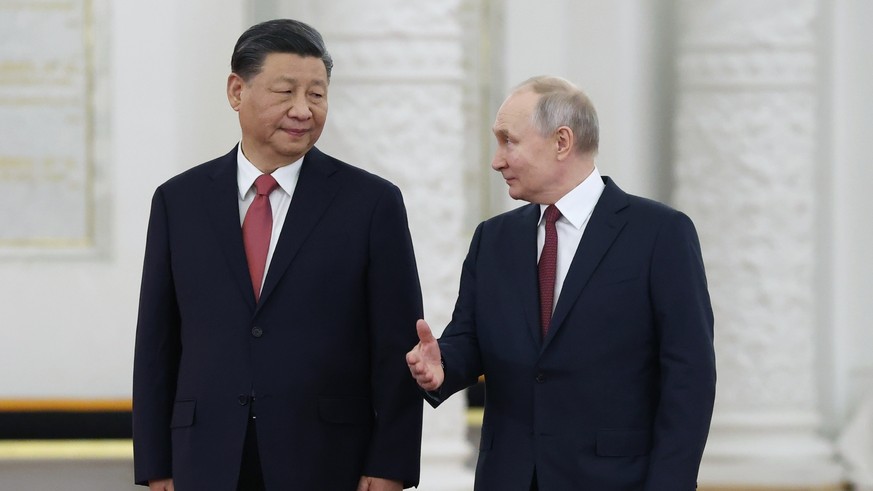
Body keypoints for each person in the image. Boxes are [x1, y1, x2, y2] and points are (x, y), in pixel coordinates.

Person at [133, 19, 423, 491]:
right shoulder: (178, 201)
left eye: (317, 94)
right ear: (236, 90)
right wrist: (155, 463)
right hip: (205, 457)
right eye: (285, 92)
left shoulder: (371, 203)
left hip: (328, 459)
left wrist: (391, 463)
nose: (302, 110)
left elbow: (397, 345)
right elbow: (157, 344)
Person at [407, 76, 716, 490]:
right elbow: (471, 339)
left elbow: (689, 376)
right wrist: (440, 365)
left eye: (508, 141)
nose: (497, 160)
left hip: (615, 480)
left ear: (562, 141)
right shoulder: (492, 239)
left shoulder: (661, 233)